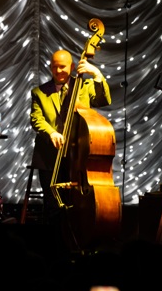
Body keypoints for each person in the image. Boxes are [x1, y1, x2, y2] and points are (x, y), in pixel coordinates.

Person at [30, 49, 111, 220]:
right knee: (52, 204)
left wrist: (96, 74)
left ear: (72, 67)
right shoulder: (39, 92)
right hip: (49, 157)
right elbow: (36, 119)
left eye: (62, 67)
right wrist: (51, 132)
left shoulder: (84, 86)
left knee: (79, 205)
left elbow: (104, 100)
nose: (58, 71)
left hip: (78, 157)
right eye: (54, 67)